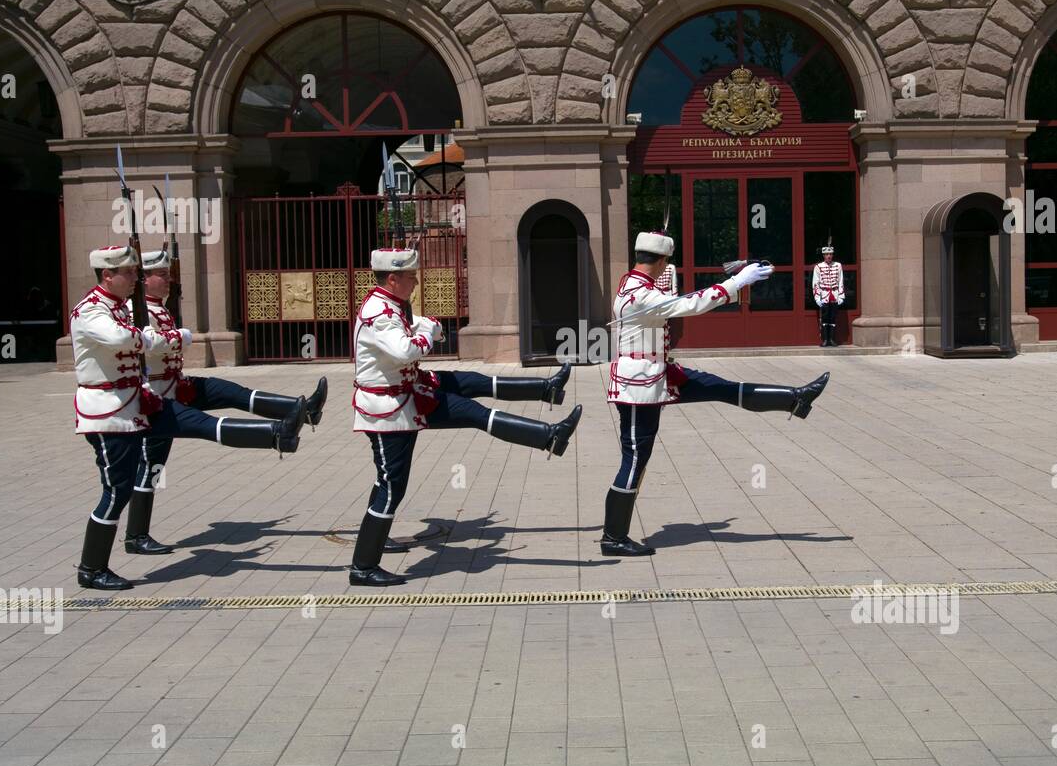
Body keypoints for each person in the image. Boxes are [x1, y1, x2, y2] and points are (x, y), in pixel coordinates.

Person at [72, 246, 307, 591]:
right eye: (129, 272)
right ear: (107, 275)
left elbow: (141, 340)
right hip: (109, 415)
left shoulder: (119, 308)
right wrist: (153, 338)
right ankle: (92, 568)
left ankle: (276, 432)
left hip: (139, 403)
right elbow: (123, 338)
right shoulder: (91, 311)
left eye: (137, 271)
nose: (135, 277)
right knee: (117, 491)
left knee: (197, 423)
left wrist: (152, 339)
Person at [350, 247, 580, 587]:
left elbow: (404, 335)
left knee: (469, 383)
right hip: (389, 413)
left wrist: (425, 327)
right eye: (411, 277)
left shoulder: (389, 304)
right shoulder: (378, 310)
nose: (416, 282)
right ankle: (363, 567)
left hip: (408, 395)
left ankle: (545, 397)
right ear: (393, 278)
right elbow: (403, 350)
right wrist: (426, 332)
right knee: (390, 485)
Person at [601, 232, 832, 557]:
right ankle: (613, 537)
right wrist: (738, 282)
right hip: (640, 387)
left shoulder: (633, 284)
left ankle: (795, 398)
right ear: (664, 262)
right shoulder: (642, 296)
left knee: (721, 388)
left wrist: (732, 278)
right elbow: (690, 304)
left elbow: (684, 298)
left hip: (659, 375)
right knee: (635, 458)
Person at [121, 249, 329, 554]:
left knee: (229, 391)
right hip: (156, 400)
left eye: (168, 274)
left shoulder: (157, 307)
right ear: (144, 279)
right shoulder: (136, 310)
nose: (168, 279)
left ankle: (303, 410)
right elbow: (147, 346)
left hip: (179, 387)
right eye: (161, 275)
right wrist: (181, 337)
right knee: (152, 466)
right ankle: (136, 535)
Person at [812, 244, 846, 347]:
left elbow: (841, 281)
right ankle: (825, 340)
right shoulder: (818, 267)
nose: (829, 256)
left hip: (834, 294)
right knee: (825, 318)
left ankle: (831, 339)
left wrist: (841, 296)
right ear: (823, 255)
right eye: (827, 254)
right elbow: (815, 283)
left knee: (833, 318)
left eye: (830, 254)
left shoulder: (838, 265)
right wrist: (817, 298)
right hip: (824, 294)